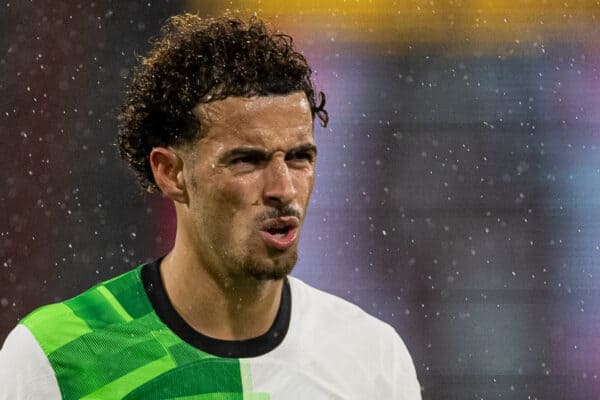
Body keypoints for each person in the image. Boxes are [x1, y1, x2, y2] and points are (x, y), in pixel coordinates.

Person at [0, 13, 421, 399]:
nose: (283, 188)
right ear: (171, 172)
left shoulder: (372, 359)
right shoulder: (55, 357)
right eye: (246, 160)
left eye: (299, 157)